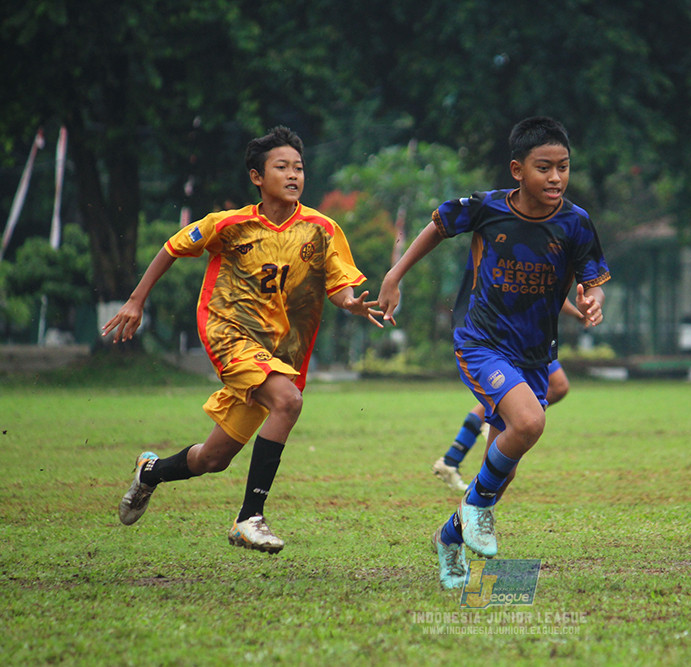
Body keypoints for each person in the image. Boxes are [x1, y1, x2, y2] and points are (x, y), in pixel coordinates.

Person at [103, 126, 383, 554]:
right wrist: (136, 301)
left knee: (212, 459)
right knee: (288, 402)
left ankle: (150, 472)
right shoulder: (228, 224)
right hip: (228, 333)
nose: (293, 175)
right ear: (257, 176)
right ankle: (249, 518)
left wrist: (351, 303)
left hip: (278, 354)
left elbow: (339, 284)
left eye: (299, 168)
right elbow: (172, 247)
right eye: (282, 167)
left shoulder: (321, 229)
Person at [378, 116, 610, 588]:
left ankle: (449, 537)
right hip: (481, 341)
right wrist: (394, 275)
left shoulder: (576, 223)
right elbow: (438, 226)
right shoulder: (487, 208)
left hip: (535, 353)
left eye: (563, 167)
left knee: (500, 473)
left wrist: (593, 299)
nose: (556, 178)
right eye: (544, 167)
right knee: (529, 423)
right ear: (517, 170)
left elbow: (592, 280)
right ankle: (476, 507)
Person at [432, 299, 583, 493]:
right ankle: (466, 484)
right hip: (510, 329)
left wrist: (583, 307)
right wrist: (578, 312)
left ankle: (454, 461)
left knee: (556, 387)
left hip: (533, 331)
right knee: (541, 392)